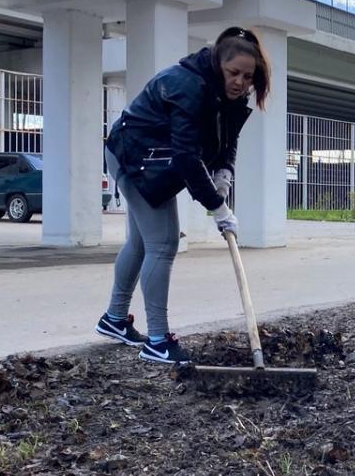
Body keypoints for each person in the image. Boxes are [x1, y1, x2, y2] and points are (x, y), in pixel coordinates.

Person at [94, 27, 270, 363]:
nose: (240, 82)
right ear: (219, 64)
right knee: (163, 242)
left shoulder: (229, 96)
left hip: (154, 157)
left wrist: (224, 174)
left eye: (248, 76)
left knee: (143, 242)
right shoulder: (188, 85)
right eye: (233, 73)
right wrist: (218, 208)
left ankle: (114, 319)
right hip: (133, 155)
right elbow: (186, 157)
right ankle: (158, 341)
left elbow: (227, 141)